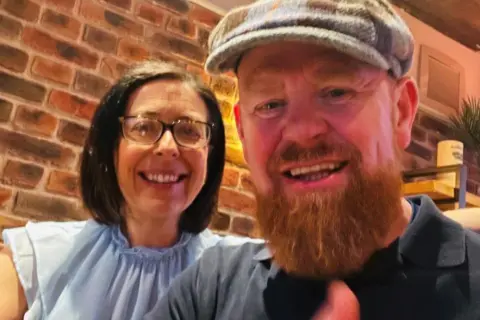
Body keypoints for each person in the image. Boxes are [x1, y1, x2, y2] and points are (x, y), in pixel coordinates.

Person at [155, 0, 480, 319]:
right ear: (242, 129)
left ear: (402, 113)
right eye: (270, 104)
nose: (302, 131)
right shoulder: (210, 289)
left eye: (336, 92)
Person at [0, 60, 258, 319]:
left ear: (209, 155)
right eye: (144, 127)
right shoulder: (34, 259)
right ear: (112, 149)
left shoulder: (242, 277)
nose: (168, 146)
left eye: (189, 130)